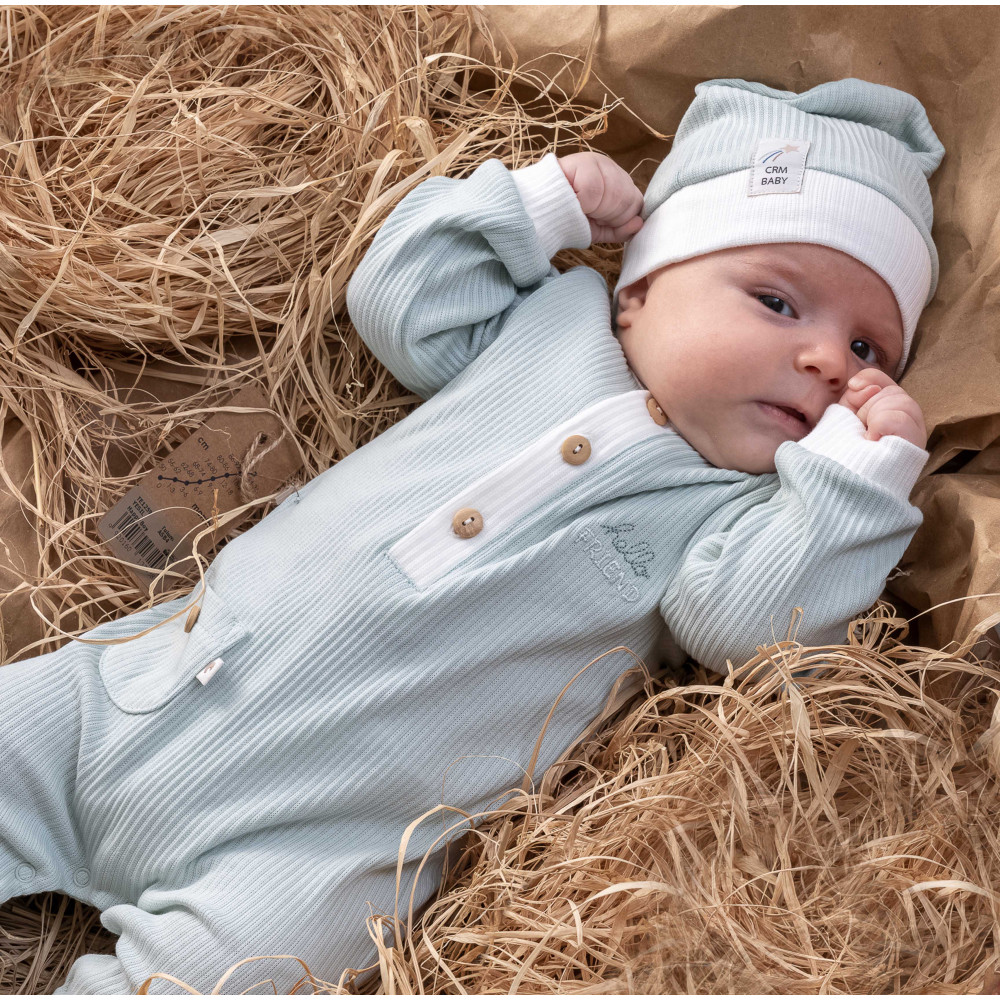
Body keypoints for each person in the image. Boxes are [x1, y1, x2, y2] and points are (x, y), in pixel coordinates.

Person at [0, 78, 943, 993]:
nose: (826, 358)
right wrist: (541, 205)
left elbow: (752, 627)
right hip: (148, 694)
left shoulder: (742, 515)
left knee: (252, 974)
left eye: (869, 352)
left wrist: (853, 478)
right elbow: (401, 301)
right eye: (777, 302)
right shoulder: (546, 323)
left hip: (318, 846)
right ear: (640, 292)